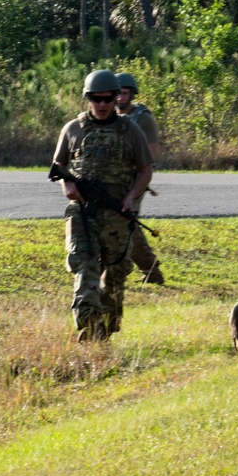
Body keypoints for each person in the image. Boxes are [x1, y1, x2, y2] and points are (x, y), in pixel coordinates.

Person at [53, 69, 154, 342]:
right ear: (88, 98)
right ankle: (87, 326)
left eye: (107, 99)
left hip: (117, 214)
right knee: (85, 265)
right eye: (96, 99)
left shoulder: (131, 130)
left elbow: (146, 170)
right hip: (82, 213)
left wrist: (131, 198)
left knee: (115, 276)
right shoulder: (73, 129)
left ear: (114, 97)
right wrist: (68, 187)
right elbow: (58, 166)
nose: (102, 104)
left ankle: (103, 333)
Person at [114, 71, 164, 284]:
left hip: (136, 178)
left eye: (124, 93)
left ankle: (150, 270)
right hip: (114, 178)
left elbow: (151, 155)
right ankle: (149, 270)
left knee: (126, 222)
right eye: (117, 93)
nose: (119, 98)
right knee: (121, 223)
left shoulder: (143, 119)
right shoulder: (109, 116)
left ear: (132, 94)